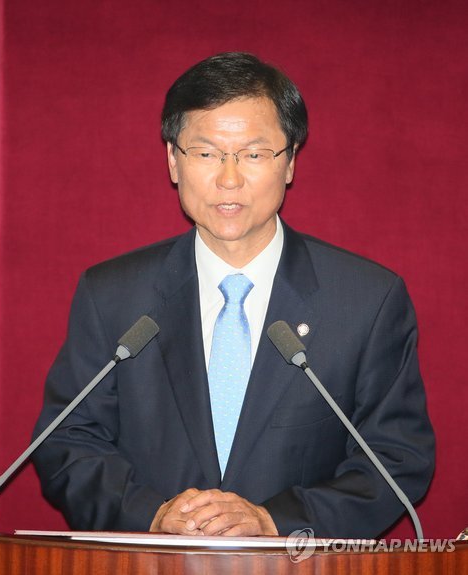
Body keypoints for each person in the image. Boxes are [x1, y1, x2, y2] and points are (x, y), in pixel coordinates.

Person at [32, 52, 435, 537]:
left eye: (254, 154)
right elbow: (67, 441)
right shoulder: (112, 296)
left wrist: (274, 521)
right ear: (173, 161)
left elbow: (395, 458)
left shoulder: (366, 301)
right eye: (206, 154)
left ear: (290, 162)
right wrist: (150, 515)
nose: (229, 179)